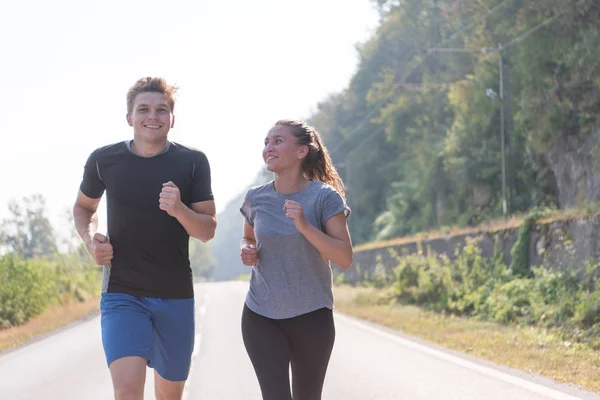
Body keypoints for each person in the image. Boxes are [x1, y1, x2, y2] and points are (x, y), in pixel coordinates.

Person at [72, 77, 216, 400]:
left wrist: (179, 209)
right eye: (144, 109)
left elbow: (207, 229)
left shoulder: (193, 162)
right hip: (122, 294)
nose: (153, 116)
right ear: (129, 118)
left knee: (169, 397)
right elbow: (83, 208)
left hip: (175, 296)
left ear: (172, 119)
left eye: (161, 110)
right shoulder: (103, 160)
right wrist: (90, 238)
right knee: (126, 393)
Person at [239, 119, 353, 400]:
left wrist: (304, 226)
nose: (269, 148)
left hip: (312, 316)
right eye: (266, 142)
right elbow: (248, 237)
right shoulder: (256, 198)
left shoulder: (324, 197)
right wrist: (247, 249)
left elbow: (344, 257)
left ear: (302, 151)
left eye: (278, 141)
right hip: (261, 314)